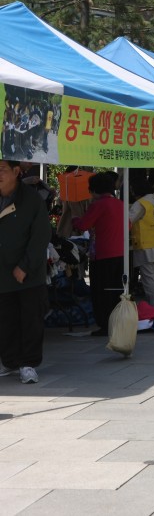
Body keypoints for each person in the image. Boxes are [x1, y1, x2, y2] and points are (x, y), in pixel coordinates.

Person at [0, 160, 51, 384]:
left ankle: (28, 364)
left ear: (16, 172)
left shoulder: (31, 199)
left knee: (30, 318)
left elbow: (40, 235)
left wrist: (25, 265)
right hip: (2, 272)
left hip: (27, 273)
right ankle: (9, 361)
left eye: (2, 169)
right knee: (6, 320)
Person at [72, 172, 124, 337]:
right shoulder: (120, 204)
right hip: (120, 253)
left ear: (94, 190)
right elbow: (128, 225)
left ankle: (104, 324)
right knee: (115, 289)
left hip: (102, 254)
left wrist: (74, 218)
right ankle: (117, 322)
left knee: (101, 291)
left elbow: (83, 224)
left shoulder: (98, 205)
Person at [129, 177, 154, 305]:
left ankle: (153, 306)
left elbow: (128, 220)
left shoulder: (140, 203)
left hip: (145, 244)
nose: (131, 192)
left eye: (132, 189)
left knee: (148, 278)